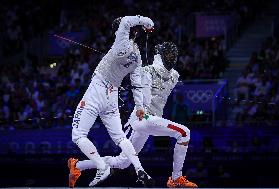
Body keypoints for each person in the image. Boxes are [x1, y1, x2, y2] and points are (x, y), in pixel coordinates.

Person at [71, 42, 198, 188]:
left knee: (123, 162)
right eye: (168, 54)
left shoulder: (175, 76)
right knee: (184, 132)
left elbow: (164, 82)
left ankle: (78, 165)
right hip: (142, 119)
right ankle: (176, 178)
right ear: (159, 56)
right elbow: (140, 90)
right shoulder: (146, 71)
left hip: (152, 120)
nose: (171, 57)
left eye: (173, 55)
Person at [68, 16, 154, 187]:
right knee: (120, 137)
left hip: (98, 89)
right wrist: (139, 106)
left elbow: (125, 22)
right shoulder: (137, 57)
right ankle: (139, 169)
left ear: (121, 32)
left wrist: (146, 21)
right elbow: (136, 83)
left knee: (78, 135)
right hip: (112, 96)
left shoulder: (121, 41)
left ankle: (101, 166)